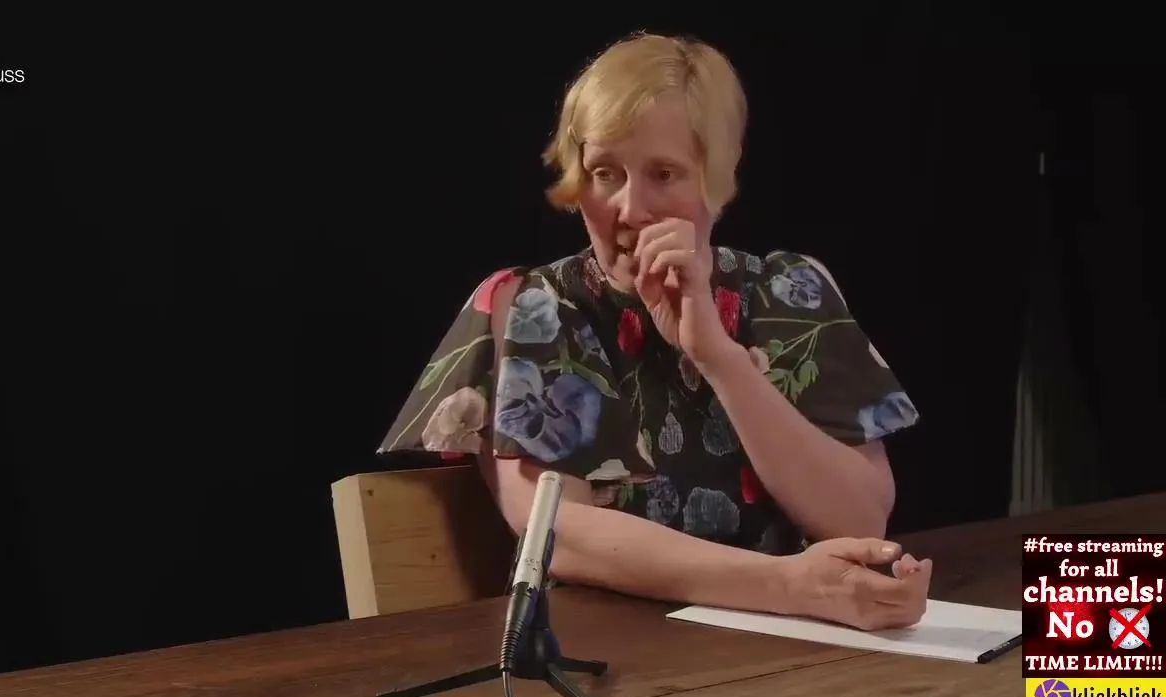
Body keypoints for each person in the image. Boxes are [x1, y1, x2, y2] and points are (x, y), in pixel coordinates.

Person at [378, 32, 930, 631]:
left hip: (793, 649)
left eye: (664, 173)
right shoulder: (536, 306)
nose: (630, 208)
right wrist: (789, 586)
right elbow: (559, 533)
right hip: (612, 649)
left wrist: (718, 356)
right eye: (604, 173)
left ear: (719, 174)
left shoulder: (786, 291)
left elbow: (860, 519)